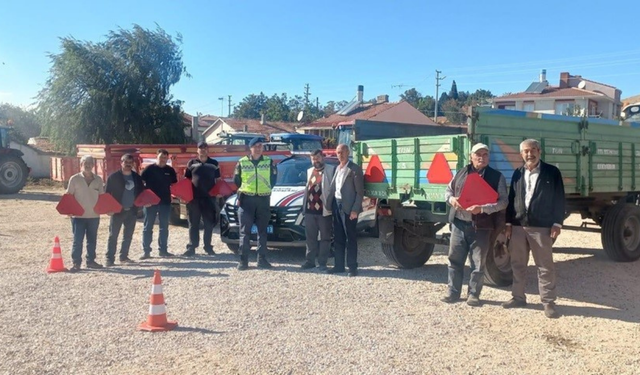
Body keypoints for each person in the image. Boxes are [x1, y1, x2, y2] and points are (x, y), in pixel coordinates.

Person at [502, 139, 565, 319]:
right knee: (517, 264)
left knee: (545, 266)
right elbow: (512, 198)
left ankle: (548, 302)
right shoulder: (517, 173)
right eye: (526, 151)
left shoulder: (552, 172)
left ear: (539, 151)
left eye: (533, 150)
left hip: (542, 227)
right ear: (521, 154)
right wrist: (508, 223)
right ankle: (518, 297)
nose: (529, 154)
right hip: (518, 226)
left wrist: (557, 223)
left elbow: (560, 198)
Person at [441, 143, 508, 306]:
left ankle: (473, 295)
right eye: (478, 154)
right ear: (471, 156)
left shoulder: (496, 177)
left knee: (477, 264)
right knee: (454, 260)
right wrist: (452, 200)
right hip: (459, 224)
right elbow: (448, 191)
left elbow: (503, 202)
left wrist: (483, 209)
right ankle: (453, 292)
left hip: (481, 227)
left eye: (485, 155)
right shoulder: (461, 172)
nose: (482, 157)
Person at [234, 137, 277, 270]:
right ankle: (243, 260)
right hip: (247, 200)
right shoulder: (242, 162)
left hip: (263, 200)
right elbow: (237, 180)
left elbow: (273, 179)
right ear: (250, 148)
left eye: (260, 145)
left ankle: (262, 260)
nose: (258, 148)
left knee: (262, 232)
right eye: (256, 146)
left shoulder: (269, 162)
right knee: (245, 232)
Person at [327, 144, 364, 277]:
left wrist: (355, 210)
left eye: (342, 152)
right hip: (337, 205)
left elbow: (360, 193)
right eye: (337, 153)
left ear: (348, 152)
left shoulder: (354, 169)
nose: (340, 155)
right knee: (338, 237)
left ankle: (352, 267)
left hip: (349, 208)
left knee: (351, 238)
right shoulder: (337, 168)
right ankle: (339, 266)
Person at [65, 155, 104, 272]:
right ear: (81, 164)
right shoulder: (74, 179)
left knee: (92, 240)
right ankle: (76, 263)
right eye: (85, 163)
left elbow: (102, 197)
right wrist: (68, 211)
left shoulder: (98, 180)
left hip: (94, 216)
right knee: (78, 240)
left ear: (93, 165)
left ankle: (91, 261)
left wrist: (107, 210)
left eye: (90, 163)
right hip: (78, 216)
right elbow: (69, 196)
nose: (87, 165)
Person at [105, 153, 144, 266]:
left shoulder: (136, 177)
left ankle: (124, 256)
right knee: (113, 236)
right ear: (121, 163)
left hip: (132, 211)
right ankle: (109, 259)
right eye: (125, 162)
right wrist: (109, 208)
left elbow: (141, 193)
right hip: (117, 211)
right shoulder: (113, 177)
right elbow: (107, 194)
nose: (128, 164)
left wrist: (144, 204)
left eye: (130, 163)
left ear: (133, 164)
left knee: (128, 235)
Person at [300, 149, 336, 271]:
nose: (316, 161)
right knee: (310, 238)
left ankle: (322, 263)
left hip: (324, 211)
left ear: (322, 157)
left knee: (325, 238)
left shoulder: (331, 170)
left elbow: (333, 190)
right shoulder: (309, 171)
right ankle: (309, 261)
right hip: (310, 211)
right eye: (313, 159)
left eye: (318, 158)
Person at [183, 141, 220, 256]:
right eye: (200, 148)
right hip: (194, 198)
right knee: (193, 224)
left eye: (205, 148)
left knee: (209, 224)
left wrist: (219, 192)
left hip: (209, 198)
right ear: (197, 150)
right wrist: (185, 195)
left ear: (207, 150)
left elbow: (218, 180)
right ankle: (191, 247)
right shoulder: (191, 163)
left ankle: (208, 247)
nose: (203, 150)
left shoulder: (214, 163)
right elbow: (187, 181)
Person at [140, 149, 178, 259]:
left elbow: (175, 185)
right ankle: (146, 251)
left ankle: (163, 250)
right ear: (157, 157)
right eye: (161, 157)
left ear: (167, 159)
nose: (163, 159)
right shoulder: (149, 169)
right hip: (150, 203)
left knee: (164, 227)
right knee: (148, 227)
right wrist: (144, 199)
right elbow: (140, 183)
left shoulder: (170, 170)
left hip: (165, 202)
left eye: (165, 158)